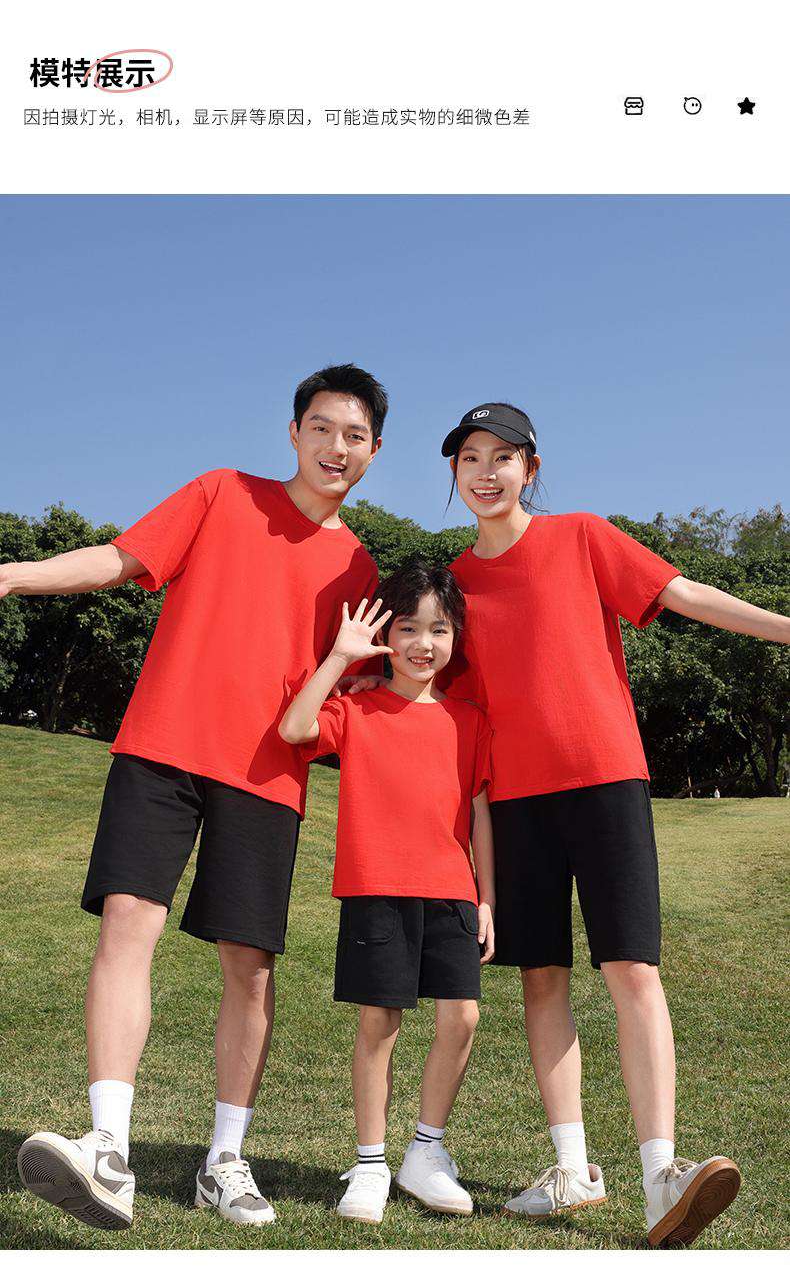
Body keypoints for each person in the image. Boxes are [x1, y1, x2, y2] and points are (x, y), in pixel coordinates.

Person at [5, 363, 387, 1230]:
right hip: (162, 747)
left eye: (355, 436)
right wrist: (13, 574)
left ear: (373, 452)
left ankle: (224, 1161)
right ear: (294, 433)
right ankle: (108, 1149)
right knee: (127, 924)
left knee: (249, 969)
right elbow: (118, 559)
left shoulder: (360, 567)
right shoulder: (220, 493)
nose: (336, 447)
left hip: (267, 777)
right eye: (322, 429)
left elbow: (355, 690)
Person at [433, 401, 790, 1247]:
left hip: (606, 781)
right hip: (513, 802)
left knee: (632, 968)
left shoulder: (584, 537)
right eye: (469, 458)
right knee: (542, 978)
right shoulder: (453, 584)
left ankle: (661, 1173)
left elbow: (684, 592)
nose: (485, 472)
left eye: (502, 457)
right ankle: (571, 1168)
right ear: (454, 472)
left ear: (531, 468)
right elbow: (441, 700)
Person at [278, 561, 495, 1225]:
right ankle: (370, 1163)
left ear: (455, 637)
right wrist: (343, 659)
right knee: (381, 1023)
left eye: (439, 629)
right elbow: (293, 729)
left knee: (463, 1018)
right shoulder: (356, 708)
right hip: (376, 887)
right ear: (385, 635)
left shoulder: (471, 720)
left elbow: (480, 812)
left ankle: (424, 1153)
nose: (423, 644)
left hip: (453, 889)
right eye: (408, 628)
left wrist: (487, 898)